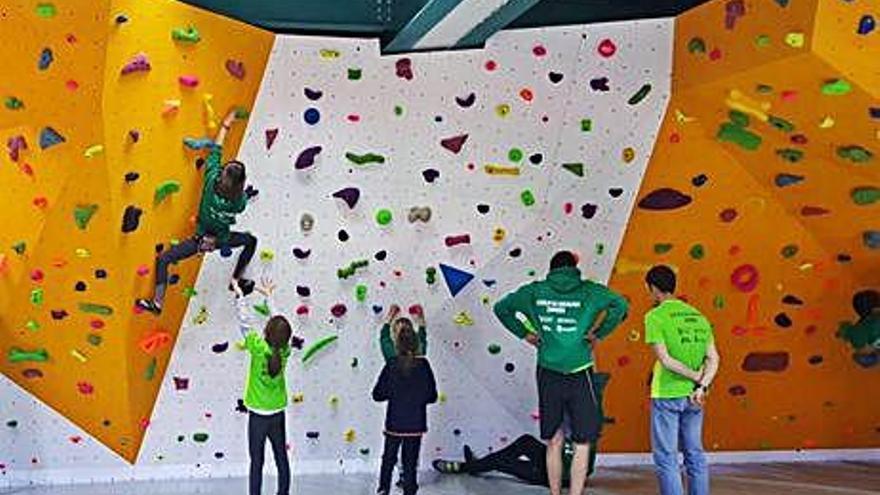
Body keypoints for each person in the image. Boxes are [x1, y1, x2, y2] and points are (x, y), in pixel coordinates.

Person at [493, 250, 628, 495]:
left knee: (553, 441)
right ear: (574, 268)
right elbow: (620, 305)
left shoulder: (535, 291)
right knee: (582, 442)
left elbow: (501, 308)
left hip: (548, 372)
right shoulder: (591, 291)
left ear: (552, 268)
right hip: (581, 371)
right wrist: (599, 334)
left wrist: (526, 335)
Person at [136, 108, 256, 315]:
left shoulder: (211, 180)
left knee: (164, 260)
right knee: (251, 241)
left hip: (200, 238)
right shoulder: (239, 201)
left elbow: (217, 148)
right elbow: (241, 201)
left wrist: (227, 123)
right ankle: (235, 279)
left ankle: (157, 303)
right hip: (221, 240)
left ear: (221, 175)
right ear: (241, 184)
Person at [430, 372, 612, 486]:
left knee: (503, 463)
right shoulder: (572, 406)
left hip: (560, 474)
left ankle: (467, 467)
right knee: (525, 441)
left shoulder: (586, 417)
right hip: (555, 460)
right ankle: (477, 465)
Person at [644, 265, 720, 495]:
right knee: (694, 454)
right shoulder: (699, 316)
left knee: (667, 457)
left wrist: (697, 376)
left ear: (654, 289)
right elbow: (714, 358)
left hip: (667, 393)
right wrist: (702, 384)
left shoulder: (654, 317)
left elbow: (666, 360)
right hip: (695, 396)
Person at [235, 277, 296, 495]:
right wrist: (270, 297)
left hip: (258, 416)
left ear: (267, 333)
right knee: (281, 457)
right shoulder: (285, 350)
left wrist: (240, 297)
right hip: (277, 413)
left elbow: (245, 323)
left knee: (256, 461)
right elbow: (279, 324)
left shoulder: (259, 347)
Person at [372, 320, 438, 495]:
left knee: (388, 458)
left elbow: (377, 395)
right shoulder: (424, 365)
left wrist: (394, 393)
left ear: (396, 344)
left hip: (394, 423)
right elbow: (432, 396)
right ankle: (410, 490)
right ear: (417, 344)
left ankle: (383, 489)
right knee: (410, 462)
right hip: (416, 424)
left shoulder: (392, 364)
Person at [378, 304, 428, 488]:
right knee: (410, 456)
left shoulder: (391, 360)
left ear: (396, 340)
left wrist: (389, 318)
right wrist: (421, 320)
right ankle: (408, 482)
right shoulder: (422, 359)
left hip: (396, 417)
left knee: (390, 454)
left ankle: (384, 487)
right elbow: (423, 336)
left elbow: (383, 338)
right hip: (415, 418)